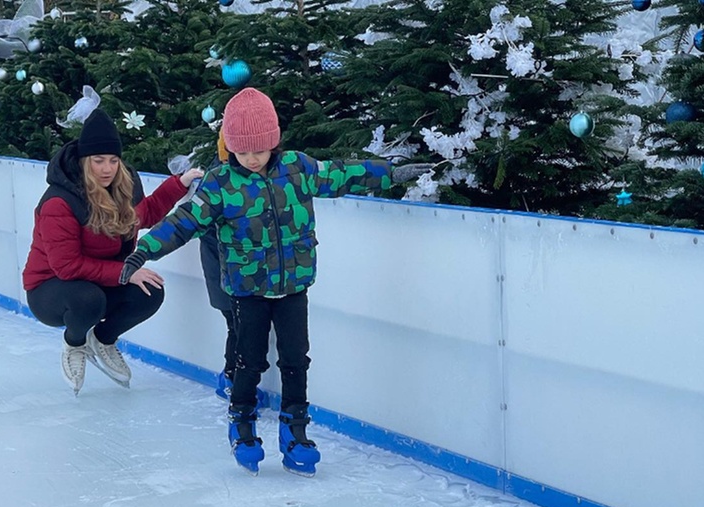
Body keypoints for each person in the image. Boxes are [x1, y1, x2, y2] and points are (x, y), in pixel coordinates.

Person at [120, 87, 418, 476]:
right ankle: (242, 423)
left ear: (273, 142)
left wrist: (390, 174)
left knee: (296, 359)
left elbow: (341, 174)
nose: (252, 158)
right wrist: (144, 251)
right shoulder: (220, 183)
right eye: (243, 151)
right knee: (250, 360)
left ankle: (295, 432)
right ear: (231, 148)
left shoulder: (298, 169)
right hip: (248, 290)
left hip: (294, 285)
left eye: (258, 149)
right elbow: (184, 222)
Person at [22, 108, 203, 396]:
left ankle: (103, 340)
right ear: (84, 161)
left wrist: (179, 184)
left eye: (113, 160)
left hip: (100, 280)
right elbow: (67, 267)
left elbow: (145, 214)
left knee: (150, 291)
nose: (107, 168)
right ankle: (75, 342)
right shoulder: (61, 202)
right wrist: (125, 272)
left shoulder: (123, 186)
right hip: (51, 289)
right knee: (88, 300)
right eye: (98, 161)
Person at [197, 131, 268, 409]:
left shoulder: (233, 175)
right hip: (225, 274)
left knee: (240, 327)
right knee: (238, 327)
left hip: (234, 273)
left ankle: (232, 379)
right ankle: (231, 379)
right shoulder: (220, 180)